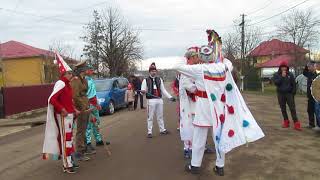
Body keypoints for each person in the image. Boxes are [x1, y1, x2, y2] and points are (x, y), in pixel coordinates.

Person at [174, 29, 264, 176]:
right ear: (213, 56)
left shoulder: (199, 69)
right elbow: (228, 62)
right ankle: (220, 166)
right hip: (218, 108)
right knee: (219, 136)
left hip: (203, 106)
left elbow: (178, 67)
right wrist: (219, 54)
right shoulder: (223, 66)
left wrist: (189, 58)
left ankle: (195, 165)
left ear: (202, 57)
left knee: (199, 137)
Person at [42, 53, 80, 173]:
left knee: (69, 139)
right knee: (66, 140)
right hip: (63, 116)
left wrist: (74, 110)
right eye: (69, 73)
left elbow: (67, 101)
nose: (71, 75)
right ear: (64, 73)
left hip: (69, 115)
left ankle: (69, 161)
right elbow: (51, 99)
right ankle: (66, 164)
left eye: (71, 73)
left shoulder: (67, 85)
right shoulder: (61, 83)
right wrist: (62, 109)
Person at [141, 62, 176, 138]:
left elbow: (163, 90)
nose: (154, 72)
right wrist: (142, 92)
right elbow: (142, 91)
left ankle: (162, 129)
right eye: (152, 71)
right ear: (149, 72)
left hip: (159, 100)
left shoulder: (159, 79)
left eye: (155, 71)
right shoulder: (145, 80)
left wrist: (170, 97)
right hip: (150, 101)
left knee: (160, 116)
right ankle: (149, 132)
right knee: (150, 117)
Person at [178, 47, 199, 159]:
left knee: (198, 126)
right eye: (196, 56)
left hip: (196, 103)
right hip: (188, 104)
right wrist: (199, 89)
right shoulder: (186, 70)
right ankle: (187, 148)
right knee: (187, 126)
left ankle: (198, 147)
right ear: (191, 58)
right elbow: (188, 85)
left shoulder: (196, 68)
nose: (198, 58)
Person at [71, 61, 92, 160]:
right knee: (80, 130)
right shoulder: (75, 80)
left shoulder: (84, 80)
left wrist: (87, 106)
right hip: (80, 108)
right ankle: (79, 152)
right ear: (82, 70)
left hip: (86, 106)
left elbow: (84, 94)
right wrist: (83, 107)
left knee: (84, 128)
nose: (88, 70)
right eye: (86, 68)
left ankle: (83, 149)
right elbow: (75, 96)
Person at [85, 65, 109, 152]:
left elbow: (94, 94)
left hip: (94, 104)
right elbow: (89, 95)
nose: (92, 72)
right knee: (89, 124)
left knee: (96, 122)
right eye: (90, 70)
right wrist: (94, 104)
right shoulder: (86, 80)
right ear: (87, 71)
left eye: (92, 70)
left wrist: (97, 103)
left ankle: (98, 139)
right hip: (89, 104)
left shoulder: (91, 80)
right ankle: (87, 143)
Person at [273, 61, 301, 131]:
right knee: (283, 108)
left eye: (285, 67)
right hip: (280, 94)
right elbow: (276, 83)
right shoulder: (277, 74)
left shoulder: (290, 74)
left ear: (287, 67)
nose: (283, 68)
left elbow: (293, 84)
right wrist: (282, 77)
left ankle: (296, 123)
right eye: (282, 67)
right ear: (280, 68)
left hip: (289, 94)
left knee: (292, 108)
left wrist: (293, 92)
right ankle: (286, 122)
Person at [303, 61, 317, 128]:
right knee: (310, 110)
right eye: (308, 67)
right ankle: (311, 124)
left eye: (309, 66)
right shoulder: (308, 74)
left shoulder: (317, 74)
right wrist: (307, 64)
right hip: (310, 96)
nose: (308, 68)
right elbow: (304, 72)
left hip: (316, 96)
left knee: (317, 111)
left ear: (314, 66)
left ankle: (318, 125)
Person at [312, 61, 320, 131]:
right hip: (317, 97)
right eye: (315, 66)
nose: (315, 67)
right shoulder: (314, 74)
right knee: (317, 111)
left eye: (316, 66)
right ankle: (318, 125)